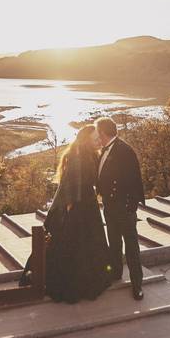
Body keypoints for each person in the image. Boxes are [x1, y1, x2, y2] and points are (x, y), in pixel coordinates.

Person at [20, 125, 111, 303]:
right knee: (72, 244)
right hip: (77, 207)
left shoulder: (91, 154)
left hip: (88, 204)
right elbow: (70, 185)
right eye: (95, 139)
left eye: (98, 139)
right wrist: (70, 211)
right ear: (86, 140)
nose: (98, 141)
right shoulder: (77, 157)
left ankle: (91, 278)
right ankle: (71, 283)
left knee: (89, 243)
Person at [94, 116, 146, 300]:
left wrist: (130, 207)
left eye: (97, 132)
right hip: (110, 206)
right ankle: (116, 273)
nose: (96, 136)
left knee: (131, 247)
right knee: (114, 243)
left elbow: (135, 181)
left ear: (102, 132)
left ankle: (137, 284)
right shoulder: (104, 150)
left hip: (124, 208)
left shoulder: (125, 151)